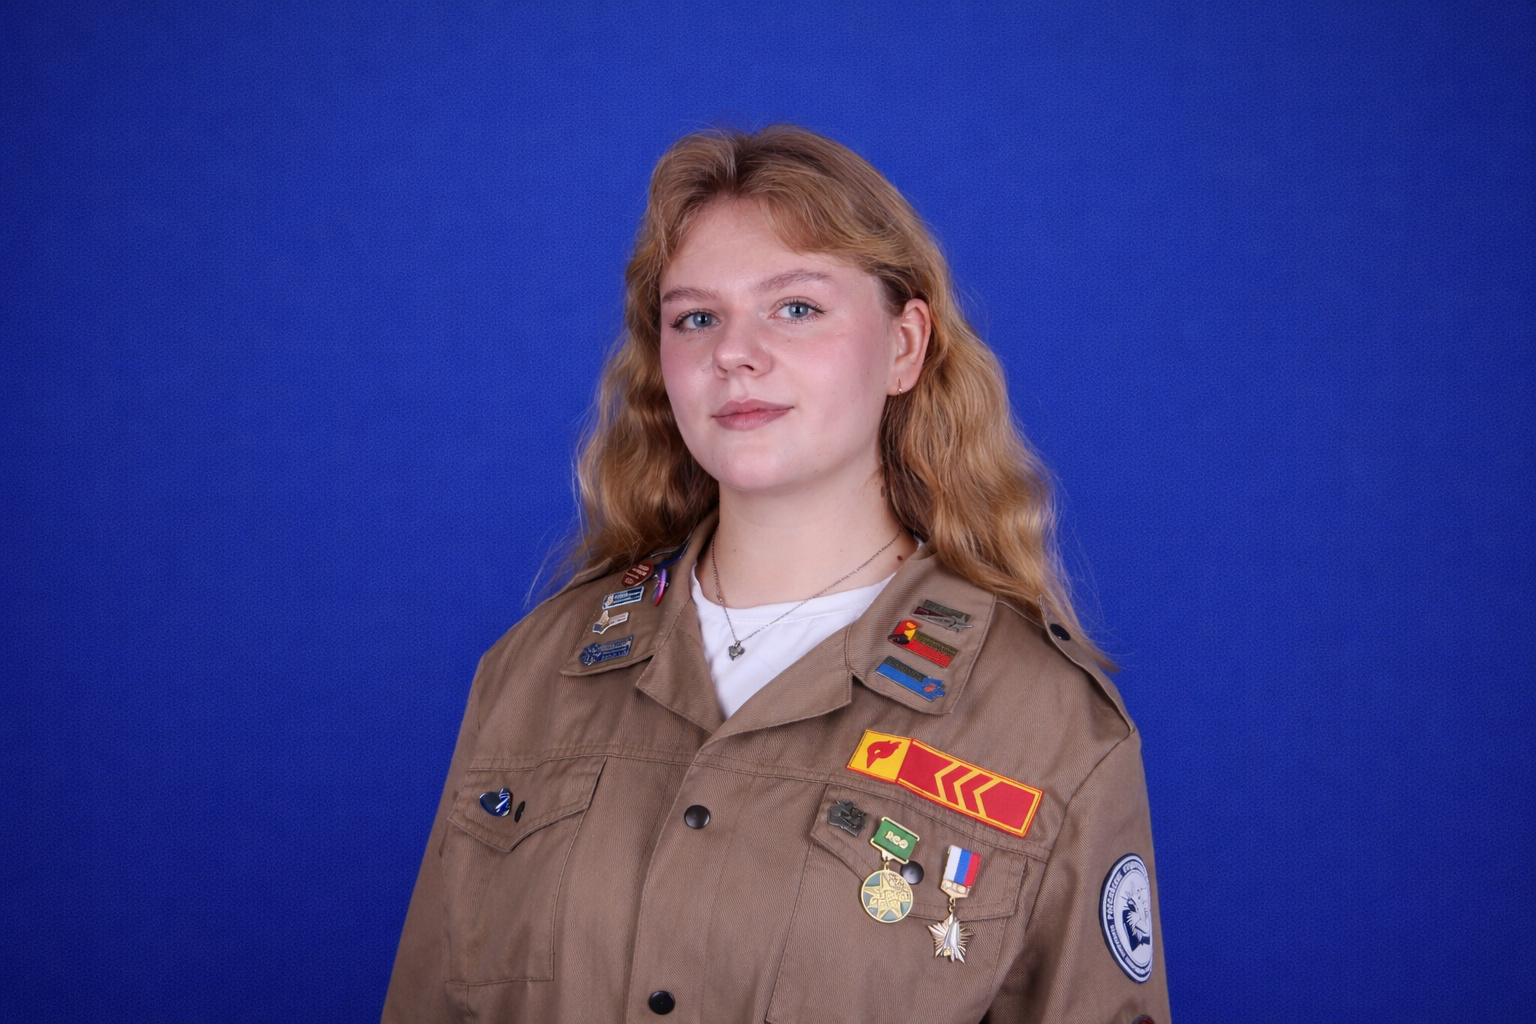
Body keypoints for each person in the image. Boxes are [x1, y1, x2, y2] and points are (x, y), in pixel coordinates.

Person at [383, 125, 1169, 1024]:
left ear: (905, 346)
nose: (733, 352)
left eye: (795, 307)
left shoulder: (1050, 728)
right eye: (696, 318)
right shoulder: (532, 672)